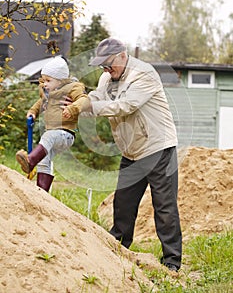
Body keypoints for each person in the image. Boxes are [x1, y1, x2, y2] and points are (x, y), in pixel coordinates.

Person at [83, 38, 182, 272]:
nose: (107, 70)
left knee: (164, 207)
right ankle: (118, 248)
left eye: (109, 64)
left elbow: (125, 106)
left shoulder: (144, 75)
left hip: (158, 148)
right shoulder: (106, 78)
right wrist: (78, 104)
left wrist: (90, 108)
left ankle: (172, 261)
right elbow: (98, 99)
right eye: (102, 66)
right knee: (123, 203)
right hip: (131, 151)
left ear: (123, 56)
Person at [16, 56, 89, 192]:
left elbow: (84, 99)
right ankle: (42, 193)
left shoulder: (72, 88)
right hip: (53, 134)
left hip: (65, 134)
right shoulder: (48, 93)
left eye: (48, 81)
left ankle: (31, 161)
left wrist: (72, 108)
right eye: (43, 80)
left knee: (48, 137)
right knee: (44, 160)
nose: (44, 84)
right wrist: (33, 112)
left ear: (61, 81)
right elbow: (40, 103)